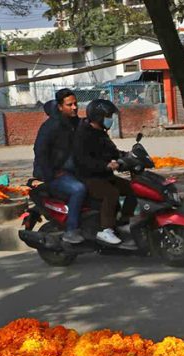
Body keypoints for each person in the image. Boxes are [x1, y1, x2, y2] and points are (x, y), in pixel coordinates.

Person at [72, 99, 136, 246]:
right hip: (89, 177)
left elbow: (111, 151)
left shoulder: (100, 132)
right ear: (98, 117)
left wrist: (127, 156)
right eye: (108, 117)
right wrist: (106, 165)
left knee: (133, 188)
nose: (110, 120)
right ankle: (105, 230)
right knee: (111, 193)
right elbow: (83, 160)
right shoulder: (83, 134)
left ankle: (123, 221)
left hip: (103, 175)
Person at [32, 88, 86, 244]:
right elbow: (40, 151)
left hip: (70, 170)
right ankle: (71, 230)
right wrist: (51, 174)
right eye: (70, 105)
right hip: (54, 174)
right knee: (78, 189)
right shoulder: (51, 126)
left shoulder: (76, 123)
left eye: (76, 104)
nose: (75, 107)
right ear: (60, 107)